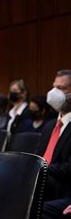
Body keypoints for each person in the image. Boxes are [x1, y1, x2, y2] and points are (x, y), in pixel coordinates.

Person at [36, 70, 71, 201]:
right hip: (42, 181)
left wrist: (41, 168)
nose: (53, 93)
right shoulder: (49, 125)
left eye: (60, 88)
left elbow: (69, 169)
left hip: (62, 188)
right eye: (54, 87)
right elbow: (38, 156)